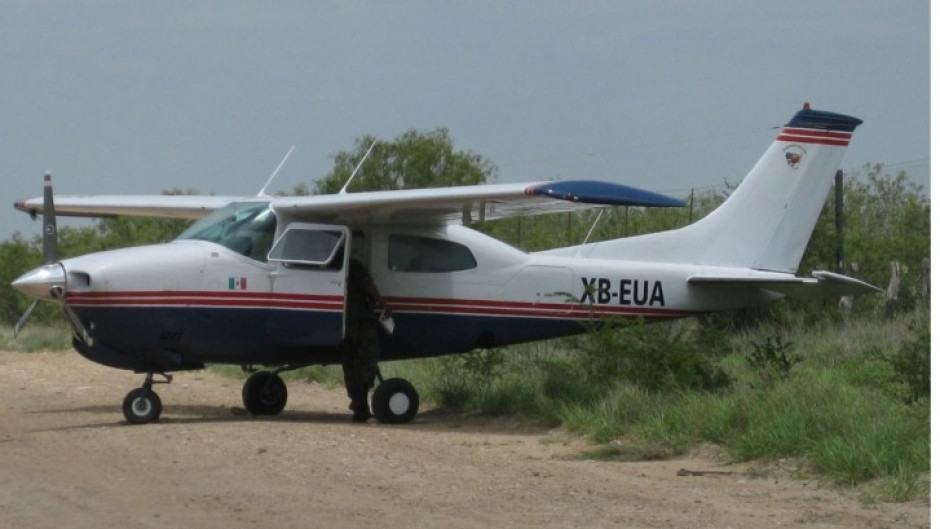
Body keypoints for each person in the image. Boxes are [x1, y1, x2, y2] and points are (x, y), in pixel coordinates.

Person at [342, 257, 389, 422]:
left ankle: (358, 405)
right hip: (360, 321)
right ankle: (359, 406)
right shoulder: (352, 264)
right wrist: (382, 302)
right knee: (367, 361)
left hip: (344, 325)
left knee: (351, 365)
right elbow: (367, 284)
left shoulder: (333, 263)